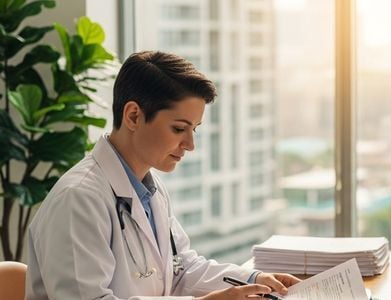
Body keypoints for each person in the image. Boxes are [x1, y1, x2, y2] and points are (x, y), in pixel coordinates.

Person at [25, 51, 301, 300]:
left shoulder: (149, 187)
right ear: (133, 116)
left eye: (195, 129)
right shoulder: (79, 200)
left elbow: (180, 268)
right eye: (179, 129)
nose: (190, 144)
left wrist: (256, 280)